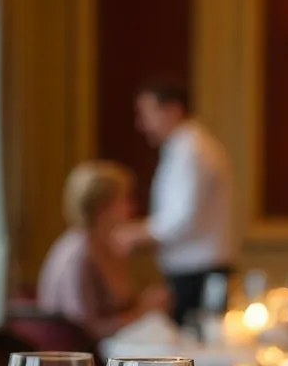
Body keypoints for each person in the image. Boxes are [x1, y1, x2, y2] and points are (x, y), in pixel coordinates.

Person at [112, 77, 236, 325]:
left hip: (196, 273)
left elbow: (181, 218)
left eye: (147, 113)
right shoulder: (186, 147)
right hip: (195, 270)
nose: (141, 125)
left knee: (196, 342)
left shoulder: (191, 150)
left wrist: (135, 234)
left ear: (173, 110)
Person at [37, 161, 170, 340]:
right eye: (126, 200)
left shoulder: (101, 246)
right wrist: (143, 311)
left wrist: (143, 305)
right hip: (85, 354)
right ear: (103, 207)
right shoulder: (80, 255)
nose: (133, 208)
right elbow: (86, 330)